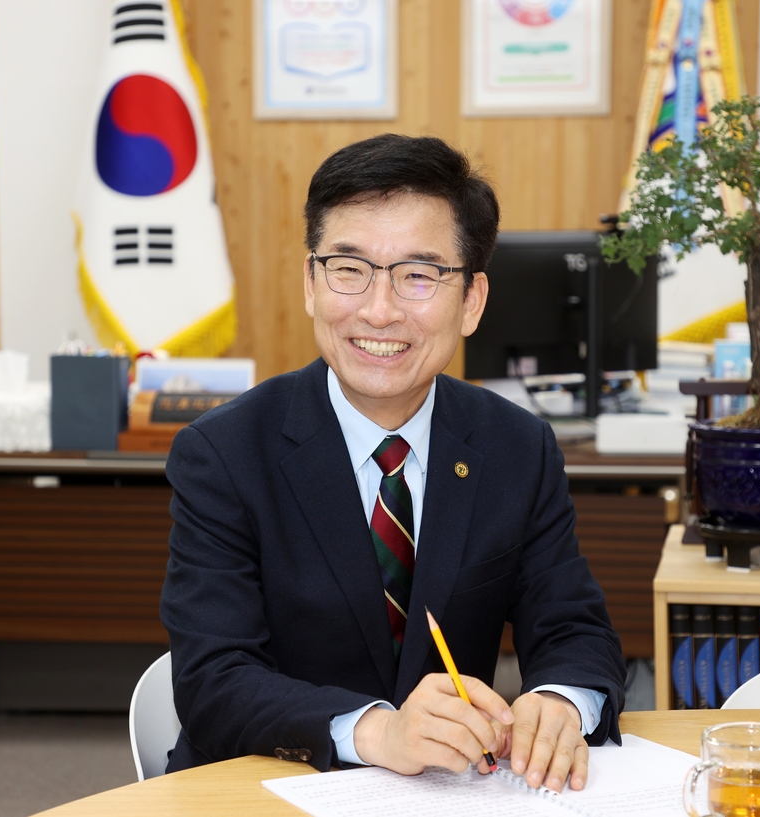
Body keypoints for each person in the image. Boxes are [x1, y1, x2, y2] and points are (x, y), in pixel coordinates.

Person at [160, 133, 625, 792]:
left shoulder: (516, 447)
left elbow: (574, 627)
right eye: (349, 269)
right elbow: (212, 679)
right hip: (265, 788)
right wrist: (379, 732)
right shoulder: (224, 453)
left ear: (471, 301)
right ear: (311, 283)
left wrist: (560, 701)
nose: (379, 310)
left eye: (418, 275)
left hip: (448, 795)